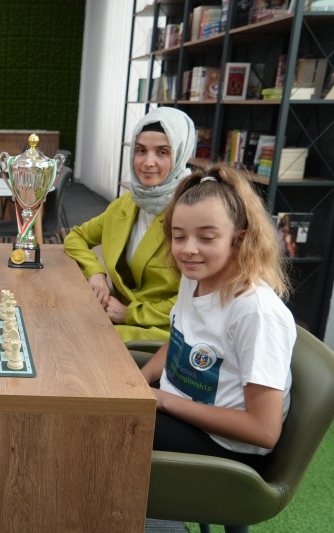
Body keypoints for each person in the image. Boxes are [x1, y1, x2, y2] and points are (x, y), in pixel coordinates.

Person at [140, 164, 296, 472]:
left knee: (108, 424)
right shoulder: (195, 277)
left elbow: (264, 431)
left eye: (207, 237)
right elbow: (178, 340)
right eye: (179, 236)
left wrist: (162, 400)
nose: (188, 250)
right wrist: (138, 381)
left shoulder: (256, 312)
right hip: (179, 408)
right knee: (102, 391)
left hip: (224, 447)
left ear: (239, 240)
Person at [64, 107, 196, 342]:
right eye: (141, 150)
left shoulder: (193, 212)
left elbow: (197, 296)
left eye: (162, 152)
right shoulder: (125, 205)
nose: (148, 162)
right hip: (116, 317)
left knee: (72, 339)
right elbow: (76, 237)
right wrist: (96, 273)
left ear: (180, 154)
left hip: (165, 331)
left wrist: (130, 313)